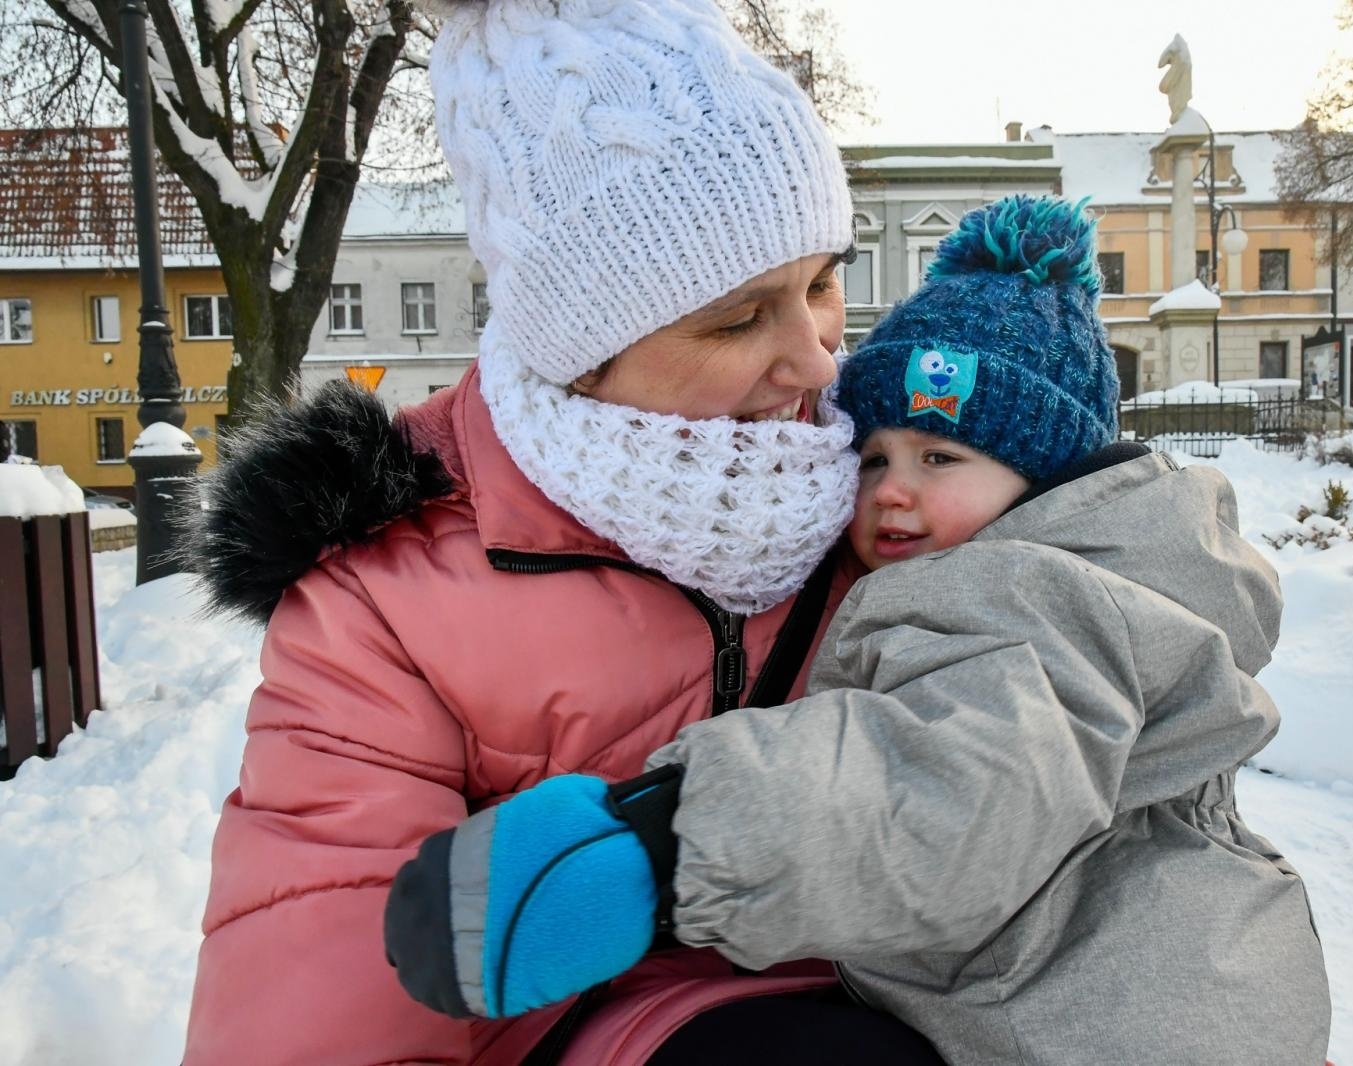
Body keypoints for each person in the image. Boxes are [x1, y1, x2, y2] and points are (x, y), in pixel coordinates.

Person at [383, 196, 1333, 1064]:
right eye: (873, 457)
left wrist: (665, 845)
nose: (893, 492)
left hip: (1120, 1016)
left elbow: (954, 775)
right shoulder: (1075, 572)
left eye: (940, 457)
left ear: (1042, 478)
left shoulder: (1036, 594)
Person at [180, 1, 949, 1062]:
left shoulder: (910, 473)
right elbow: (326, 982)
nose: (818, 358)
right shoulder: (387, 592)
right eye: (738, 317)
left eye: (821, 283)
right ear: (581, 353)